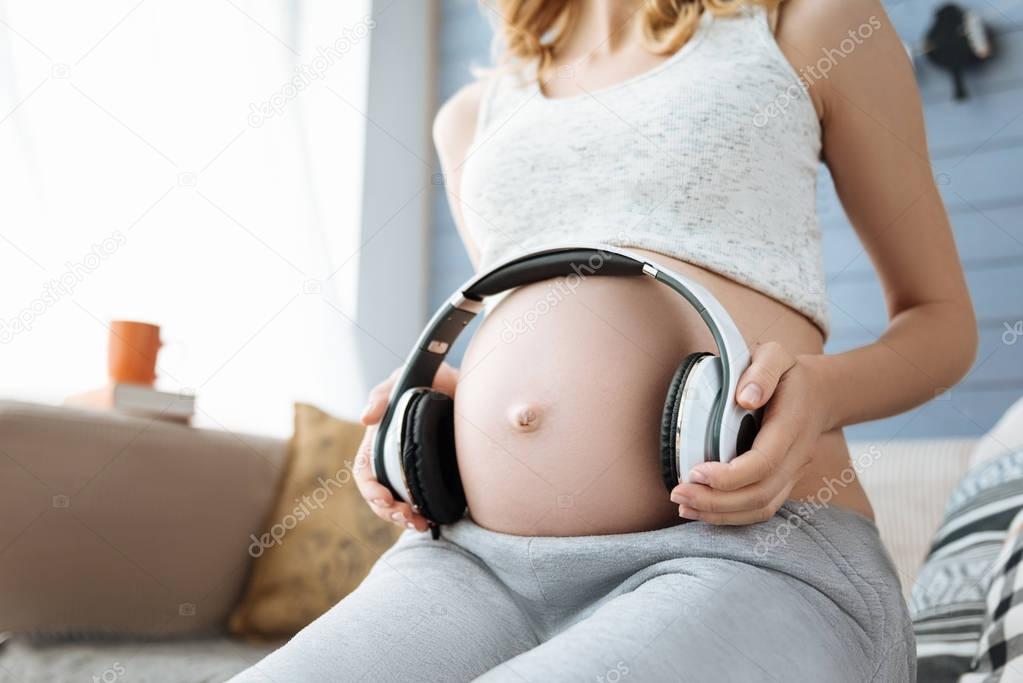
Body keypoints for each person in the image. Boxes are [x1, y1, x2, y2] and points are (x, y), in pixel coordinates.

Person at [233, 0, 976, 679]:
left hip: (752, 550)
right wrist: (448, 404)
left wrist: (818, 395)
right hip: (469, 561)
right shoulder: (471, 116)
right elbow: (532, 316)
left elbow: (941, 322)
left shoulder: (807, 26)